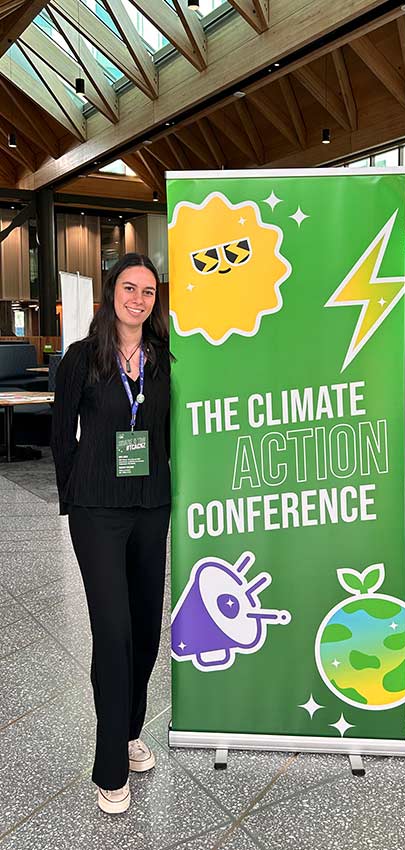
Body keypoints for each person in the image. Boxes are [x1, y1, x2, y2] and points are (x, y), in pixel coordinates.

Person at [51, 253, 170, 814]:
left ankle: (128, 729)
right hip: (98, 511)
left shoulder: (163, 360)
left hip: (150, 506)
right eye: (130, 287)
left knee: (147, 630)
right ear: (111, 292)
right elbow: (61, 432)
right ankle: (110, 763)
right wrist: (74, 493)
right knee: (115, 630)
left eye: (148, 291)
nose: (138, 299)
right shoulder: (81, 358)